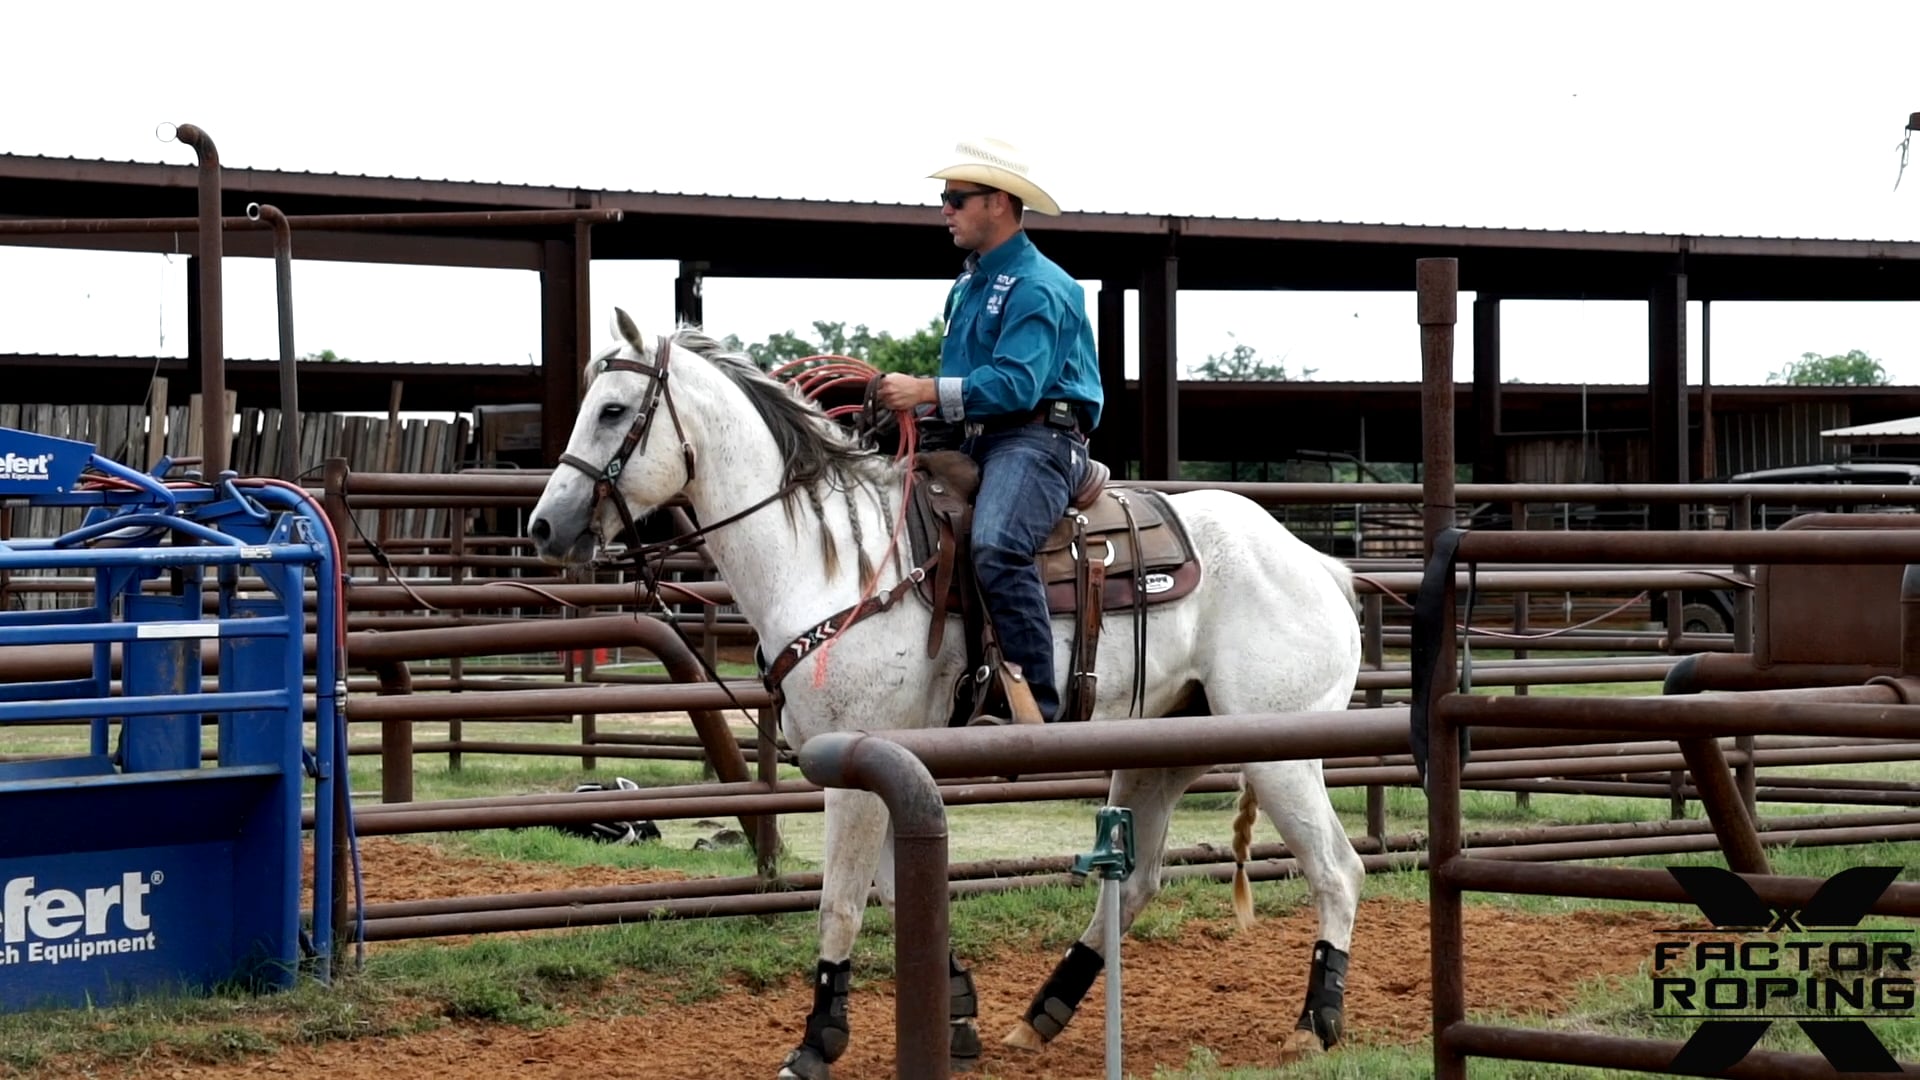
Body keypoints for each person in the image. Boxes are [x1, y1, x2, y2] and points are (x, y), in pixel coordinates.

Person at [874, 137, 1104, 724]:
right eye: (945, 198)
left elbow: (1017, 386)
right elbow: (969, 384)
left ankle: (1037, 709)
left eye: (956, 198)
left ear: (998, 203)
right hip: (977, 435)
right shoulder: (970, 283)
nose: (945, 210)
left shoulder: (1040, 285)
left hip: (1038, 438)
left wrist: (925, 390)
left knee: (998, 545)